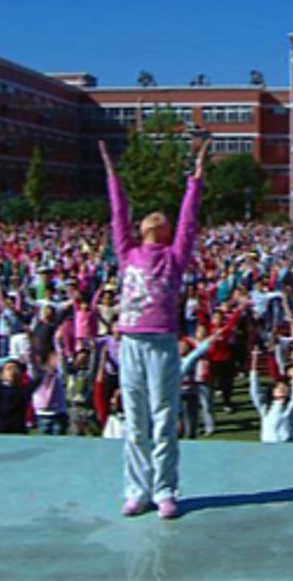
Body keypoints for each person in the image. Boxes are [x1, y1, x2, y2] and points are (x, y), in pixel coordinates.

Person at [101, 138, 208, 520]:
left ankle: (164, 489)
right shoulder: (127, 251)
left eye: (161, 217)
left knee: (164, 418)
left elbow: (189, 220)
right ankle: (136, 490)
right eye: (150, 215)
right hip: (130, 341)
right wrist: (112, 173)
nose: (154, 216)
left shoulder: (175, 257)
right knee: (135, 420)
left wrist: (196, 180)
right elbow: (118, 212)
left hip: (162, 342)